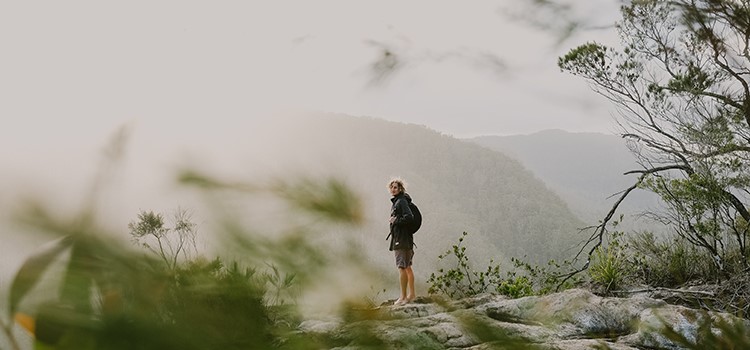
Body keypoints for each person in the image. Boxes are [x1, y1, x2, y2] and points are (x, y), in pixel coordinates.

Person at [387, 178, 416, 306]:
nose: (393, 189)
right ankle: (412, 295)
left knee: (401, 267)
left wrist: (395, 220)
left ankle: (403, 297)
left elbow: (409, 217)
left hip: (401, 240)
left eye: (395, 187)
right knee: (408, 267)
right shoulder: (400, 201)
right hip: (406, 239)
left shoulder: (401, 201)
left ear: (400, 189)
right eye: (392, 187)